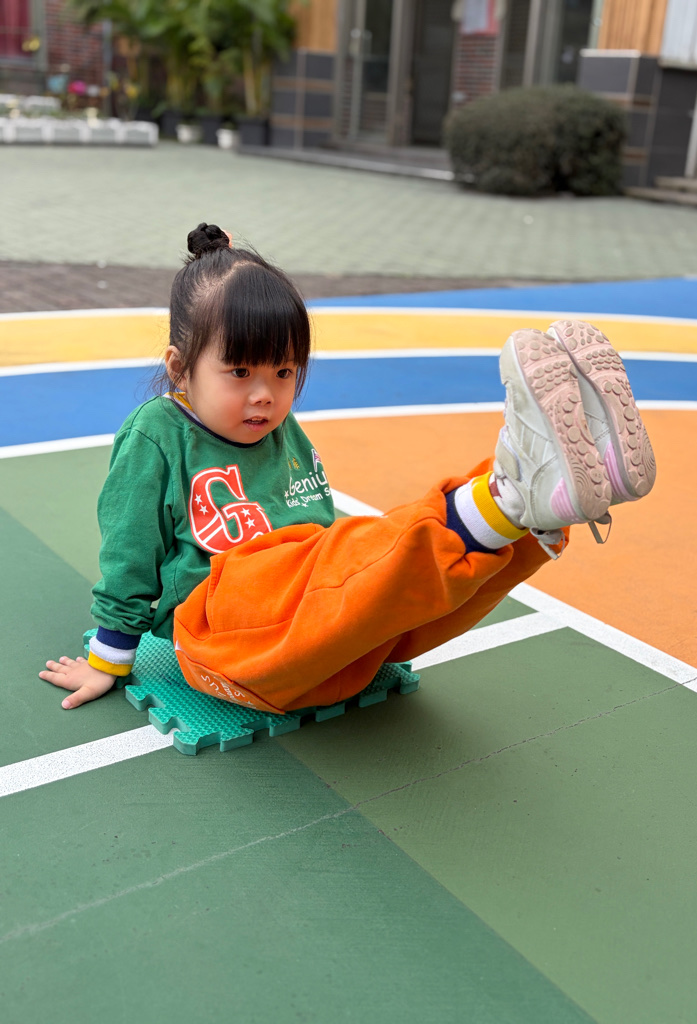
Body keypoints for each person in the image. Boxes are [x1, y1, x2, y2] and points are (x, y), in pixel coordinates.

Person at [40, 223, 656, 713]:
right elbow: (128, 553)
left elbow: (324, 544)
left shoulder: (277, 428)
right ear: (180, 368)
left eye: (284, 372)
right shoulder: (157, 436)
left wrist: (352, 588)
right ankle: (510, 495)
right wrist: (108, 659)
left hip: (321, 644)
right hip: (229, 637)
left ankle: (543, 510)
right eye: (240, 372)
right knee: (361, 559)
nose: (265, 395)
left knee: (414, 602)